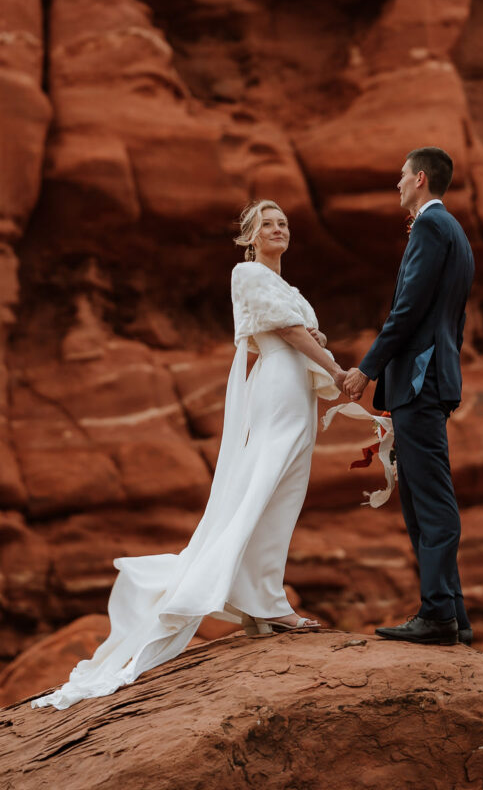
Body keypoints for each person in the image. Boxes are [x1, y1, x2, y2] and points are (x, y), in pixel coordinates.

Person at [31, 200, 347, 710]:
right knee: (261, 487)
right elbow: (288, 333)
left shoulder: (287, 286)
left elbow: (300, 329)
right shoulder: (247, 273)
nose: (278, 230)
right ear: (249, 235)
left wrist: (323, 351)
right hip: (278, 386)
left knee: (283, 493)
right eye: (267, 224)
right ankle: (263, 602)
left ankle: (259, 601)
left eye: (283, 224)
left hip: (297, 390)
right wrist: (335, 370)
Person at [344, 147, 475, 646]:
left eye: (401, 177)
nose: (396, 184)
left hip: (418, 383)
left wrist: (367, 370)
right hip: (434, 378)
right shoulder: (456, 235)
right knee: (424, 500)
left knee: (430, 502)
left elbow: (407, 310)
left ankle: (438, 614)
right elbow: (453, 321)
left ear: (420, 179)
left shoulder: (429, 228)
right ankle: (454, 615)